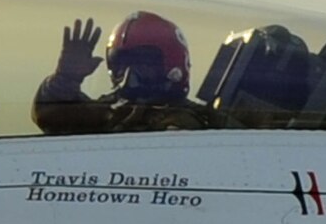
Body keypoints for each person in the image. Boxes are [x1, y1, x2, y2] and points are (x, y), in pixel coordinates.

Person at [32, 11, 209, 134]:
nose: (128, 75)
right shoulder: (111, 111)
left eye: (143, 64)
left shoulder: (196, 123)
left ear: (172, 66)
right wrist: (65, 79)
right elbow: (49, 117)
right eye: (121, 65)